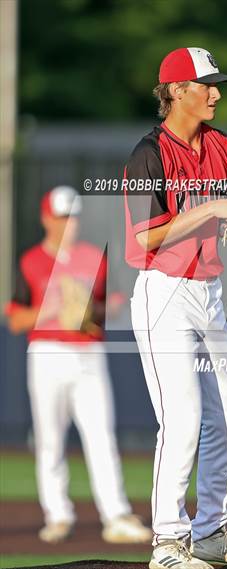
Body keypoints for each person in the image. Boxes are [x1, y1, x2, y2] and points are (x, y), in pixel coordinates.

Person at [125, 48, 227, 569]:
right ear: (176, 91)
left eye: (216, 84)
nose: (216, 92)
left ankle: (209, 532)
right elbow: (144, 238)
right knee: (182, 418)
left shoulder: (222, 147)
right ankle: (167, 542)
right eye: (205, 84)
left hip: (207, 292)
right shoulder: (149, 152)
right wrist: (211, 206)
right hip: (163, 292)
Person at [5, 186, 152, 545]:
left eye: (72, 216)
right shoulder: (30, 261)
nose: (68, 223)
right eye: (61, 217)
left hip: (89, 353)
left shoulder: (94, 257)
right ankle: (57, 515)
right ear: (45, 219)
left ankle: (115, 515)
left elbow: (115, 300)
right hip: (47, 354)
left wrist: (92, 311)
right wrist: (54, 310)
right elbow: (14, 319)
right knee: (49, 439)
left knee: (101, 435)